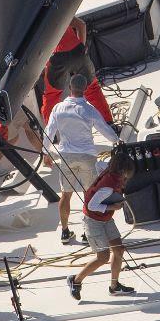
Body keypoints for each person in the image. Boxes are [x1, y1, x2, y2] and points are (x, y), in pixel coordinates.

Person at [45, 74, 119, 245]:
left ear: (69, 88)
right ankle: (88, 233)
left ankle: (65, 232)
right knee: (89, 194)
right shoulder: (89, 109)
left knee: (66, 195)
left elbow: (49, 131)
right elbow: (104, 129)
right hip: (87, 156)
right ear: (85, 89)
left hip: (66, 157)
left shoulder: (58, 108)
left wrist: (45, 152)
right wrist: (117, 141)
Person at [66, 150, 137, 301]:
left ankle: (114, 286)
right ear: (123, 171)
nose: (126, 179)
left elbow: (99, 164)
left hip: (105, 219)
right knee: (102, 257)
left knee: (119, 250)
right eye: (126, 175)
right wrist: (113, 207)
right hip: (93, 221)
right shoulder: (107, 188)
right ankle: (76, 281)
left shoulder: (107, 169)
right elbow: (91, 206)